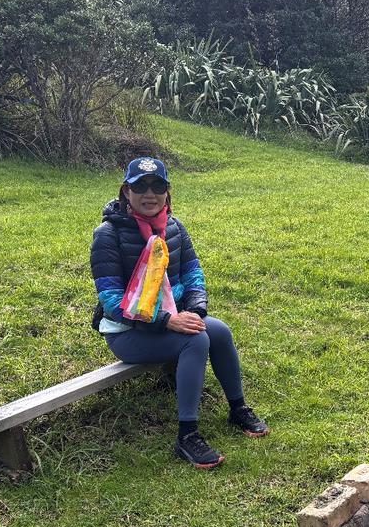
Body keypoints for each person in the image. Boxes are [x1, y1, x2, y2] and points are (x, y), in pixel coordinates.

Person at [90, 157, 267, 469]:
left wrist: (196, 311)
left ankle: (237, 408)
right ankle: (187, 435)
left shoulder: (174, 227)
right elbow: (111, 300)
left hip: (172, 320)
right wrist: (167, 320)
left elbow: (193, 275)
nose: (149, 194)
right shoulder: (107, 234)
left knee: (219, 331)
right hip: (128, 333)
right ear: (126, 191)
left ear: (167, 192)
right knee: (195, 341)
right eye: (140, 186)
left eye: (157, 186)